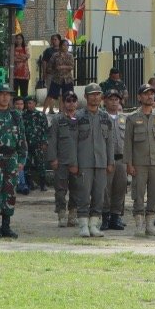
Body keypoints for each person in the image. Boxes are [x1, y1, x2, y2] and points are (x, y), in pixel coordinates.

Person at [64, 83, 114, 238]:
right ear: (85, 97)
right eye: (92, 94)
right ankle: (83, 225)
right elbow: (71, 142)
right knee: (83, 194)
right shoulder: (77, 117)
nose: (95, 97)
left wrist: (110, 161)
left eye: (98, 94)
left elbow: (110, 142)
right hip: (83, 163)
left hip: (101, 162)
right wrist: (73, 162)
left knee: (99, 194)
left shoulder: (105, 117)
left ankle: (94, 224)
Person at [125, 83, 155, 238]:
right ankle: (139, 225)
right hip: (139, 163)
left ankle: (150, 224)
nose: (149, 96)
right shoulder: (132, 118)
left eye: (151, 93)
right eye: (145, 94)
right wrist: (129, 164)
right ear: (139, 97)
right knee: (138, 193)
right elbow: (128, 143)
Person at [0, 85, 27, 238]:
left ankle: (6, 226)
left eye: (7, 95)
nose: (5, 97)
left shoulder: (16, 115)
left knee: (10, 192)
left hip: (12, 158)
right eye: (1, 95)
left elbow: (22, 138)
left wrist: (22, 158)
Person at [48, 91, 80, 228]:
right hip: (61, 161)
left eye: (73, 101)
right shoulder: (57, 119)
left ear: (77, 103)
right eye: (68, 101)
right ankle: (61, 214)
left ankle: (73, 215)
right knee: (60, 190)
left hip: (77, 161)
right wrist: (53, 159)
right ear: (63, 103)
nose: (71, 103)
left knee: (77, 190)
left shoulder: (81, 118)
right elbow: (52, 140)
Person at [100, 89, 129, 232]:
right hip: (106, 160)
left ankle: (116, 216)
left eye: (116, 99)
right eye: (111, 99)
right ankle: (104, 217)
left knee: (120, 188)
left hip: (122, 159)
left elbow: (129, 141)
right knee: (105, 189)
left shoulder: (124, 118)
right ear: (105, 101)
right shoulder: (101, 117)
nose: (114, 102)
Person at [12, 34, 31, 98]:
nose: (18, 40)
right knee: (14, 93)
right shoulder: (12, 48)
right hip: (14, 74)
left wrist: (17, 57)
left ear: (22, 40)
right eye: (17, 38)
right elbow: (12, 59)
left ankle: (24, 106)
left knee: (24, 93)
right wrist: (22, 56)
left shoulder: (25, 48)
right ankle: (14, 106)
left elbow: (27, 56)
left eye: (20, 38)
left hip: (24, 75)